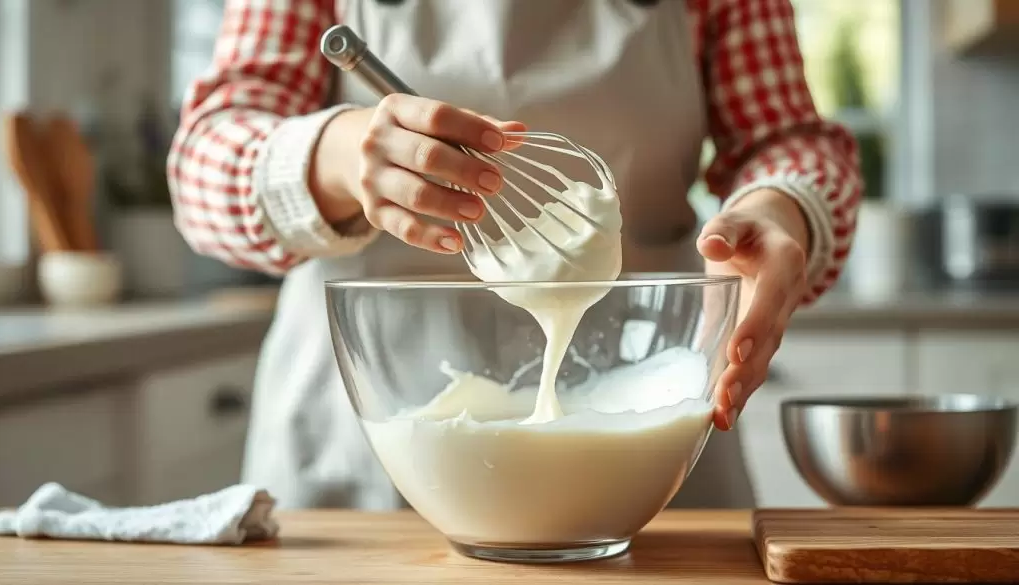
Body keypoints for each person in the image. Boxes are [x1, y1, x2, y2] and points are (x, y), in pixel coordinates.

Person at [167, 0, 861, 510]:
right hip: (368, 440)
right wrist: (339, 156)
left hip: (651, 422)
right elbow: (204, 160)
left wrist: (782, 205)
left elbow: (785, 137)